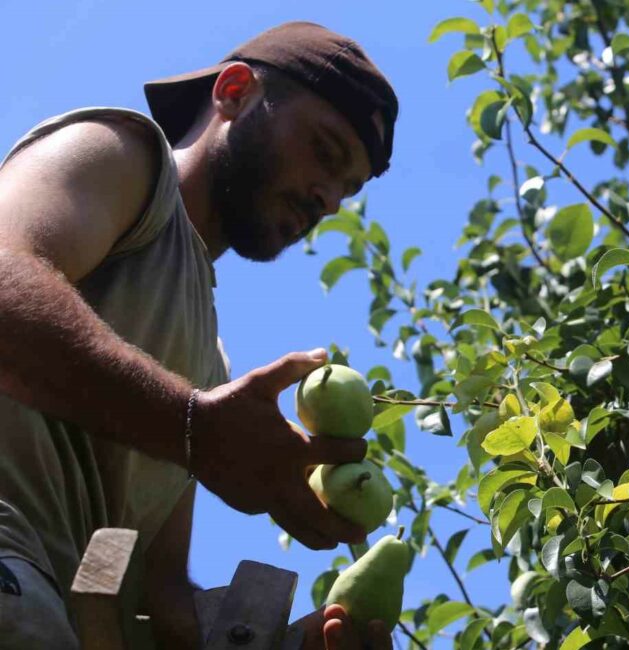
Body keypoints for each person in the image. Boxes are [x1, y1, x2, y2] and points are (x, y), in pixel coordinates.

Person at [0, 21, 398, 649]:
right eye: (325, 152)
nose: (328, 198)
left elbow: (155, 594)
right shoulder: (123, 158)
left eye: (346, 190)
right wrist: (193, 426)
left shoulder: (207, 363)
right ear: (234, 92)